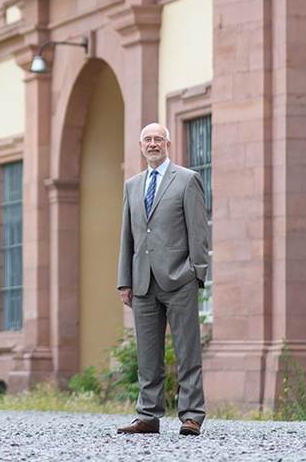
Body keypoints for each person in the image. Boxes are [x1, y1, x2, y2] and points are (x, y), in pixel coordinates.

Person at [116, 122, 210, 437]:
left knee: (187, 351)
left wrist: (197, 273)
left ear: (168, 144)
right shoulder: (132, 185)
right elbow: (127, 237)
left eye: (158, 139)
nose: (153, 144)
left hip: (179, 278)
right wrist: (124, 281)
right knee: (147, 355)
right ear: (140, 146)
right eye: (148, 139)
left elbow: (199, 231)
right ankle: (148, 416)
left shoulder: (186, 180)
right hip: (142, 281)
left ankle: (192, 415)